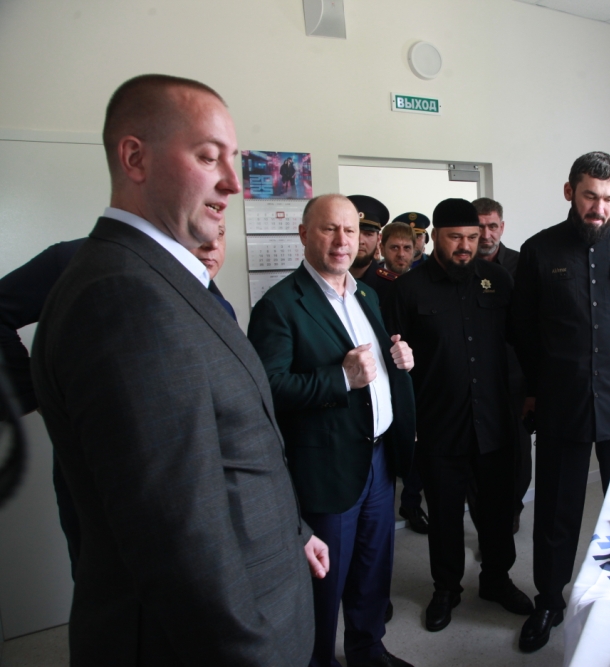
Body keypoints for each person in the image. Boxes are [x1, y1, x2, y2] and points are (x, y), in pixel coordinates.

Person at [30, 74, 324, 665]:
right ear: (134, 158)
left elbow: (233, 450)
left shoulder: (164, 279)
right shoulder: (123, 297)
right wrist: (251, 653)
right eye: (208, 156)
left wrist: (293, 531)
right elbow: (176, 534)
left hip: (265, 587)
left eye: (232, 159)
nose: (232, 182)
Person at [2, 221, 234, 578]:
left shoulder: (217, 305)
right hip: (104, 486)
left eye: (219, 232)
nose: (210, 244)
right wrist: (38, 390)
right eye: (196, 229)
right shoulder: (76, 260)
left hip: (196, 492)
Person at [247, 193, 417, 667]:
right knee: (325, 580)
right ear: (304, 234)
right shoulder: (280, 305)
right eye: (329, 229)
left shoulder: (366, 295)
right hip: (327, 466)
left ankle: (368, 650)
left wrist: (399, 360)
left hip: (378, 458)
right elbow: (267, 389)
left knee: (373, 568)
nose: (343, 240)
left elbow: (375, 365)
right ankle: (318, 659)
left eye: (351, 230)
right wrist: (340, 378)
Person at [512, 151, 610, 652]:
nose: (598, 208)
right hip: (563, 403)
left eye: (608, 199)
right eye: (589, 197)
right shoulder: (538, 250)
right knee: (556, 511)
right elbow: (523, 327)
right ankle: (549, 601)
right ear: (569, 192)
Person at [387, 198, 534, 633]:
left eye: (472, 237)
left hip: (494, 421)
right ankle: (446, 588)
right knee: (445, 515)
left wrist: (531, 396)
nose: (466, 245)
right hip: (440, 423)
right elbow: (394, 362)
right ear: (435, 238)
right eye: (455, 238)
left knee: (497, 511)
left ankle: (496, 579)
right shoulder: (408, 289)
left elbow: (522, 343)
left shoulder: (498, 281)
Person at [472, 196, 530, 533]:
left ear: (502, 227)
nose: (486, 234)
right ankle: (483, 521)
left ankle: (512, 509)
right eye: (479, 227)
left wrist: (534, 388)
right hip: (473, 379)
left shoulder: (523, 266)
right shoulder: (459, 267)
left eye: (492, 226)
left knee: (518, 454)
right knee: (476, 455)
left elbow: (537, 329)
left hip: (515, 379)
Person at [370, 222, 416, 305]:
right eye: (395, 247)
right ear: (382, 249)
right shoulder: (370, 284)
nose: (401, 254)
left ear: (414, 251)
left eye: (407, 248)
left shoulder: (423, 284)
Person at [348, 194, 389, 287]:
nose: (360, 241)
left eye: (368, 234)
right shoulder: (326, 279)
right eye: (352, 232)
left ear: (379, 238)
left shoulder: (392, 286)